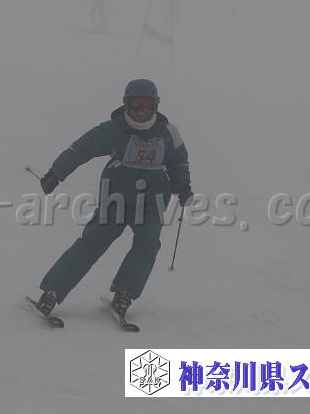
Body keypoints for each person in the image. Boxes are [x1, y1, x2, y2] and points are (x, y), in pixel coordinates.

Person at [34, 79, 193, 318]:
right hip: (116, 198)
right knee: (92, 242)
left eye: (146, 105)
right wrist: (56, 174)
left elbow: (179, 161)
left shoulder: (169, 132)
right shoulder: (114, 129)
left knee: (148, 243)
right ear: (126, 105)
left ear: (155, 105)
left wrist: (183, 187)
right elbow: (81, 149)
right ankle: (52, 292)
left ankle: (124, 293)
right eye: (135, 105)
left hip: (151, 203)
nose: (141, 111)